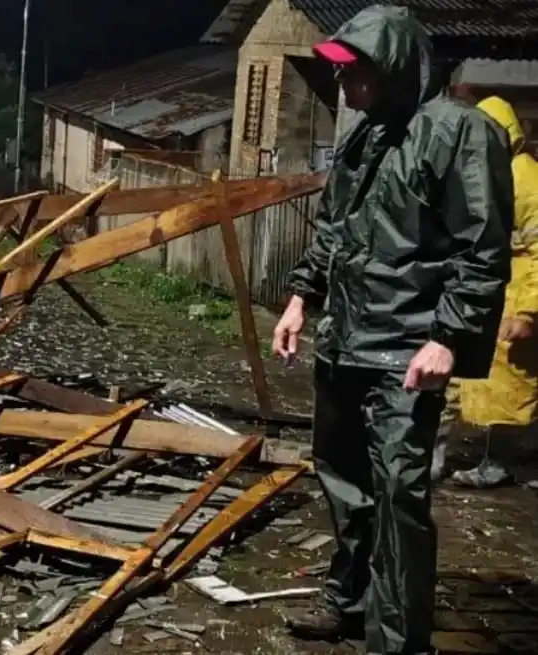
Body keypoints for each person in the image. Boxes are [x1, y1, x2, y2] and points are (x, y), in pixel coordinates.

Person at [271, 5, 514, 655]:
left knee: (398, 495)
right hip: (345, 342)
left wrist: (448, 336)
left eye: (356, 73)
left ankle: (399, 641)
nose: (344, 85)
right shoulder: (365, 135)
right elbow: (333, 227)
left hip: (406, 351)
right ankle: (349, 599)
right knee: (343, 480)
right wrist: (300, 298)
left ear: (396, 68)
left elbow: (482, 246)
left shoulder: (459, 133)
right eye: (341, 74)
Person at [445, 95, 538, 488]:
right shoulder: (491, 172)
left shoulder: (525, 180)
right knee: (474, 383)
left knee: (514, 391)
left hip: (514, 301)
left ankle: (507, 462)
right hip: (491, 296)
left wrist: (528, 312)